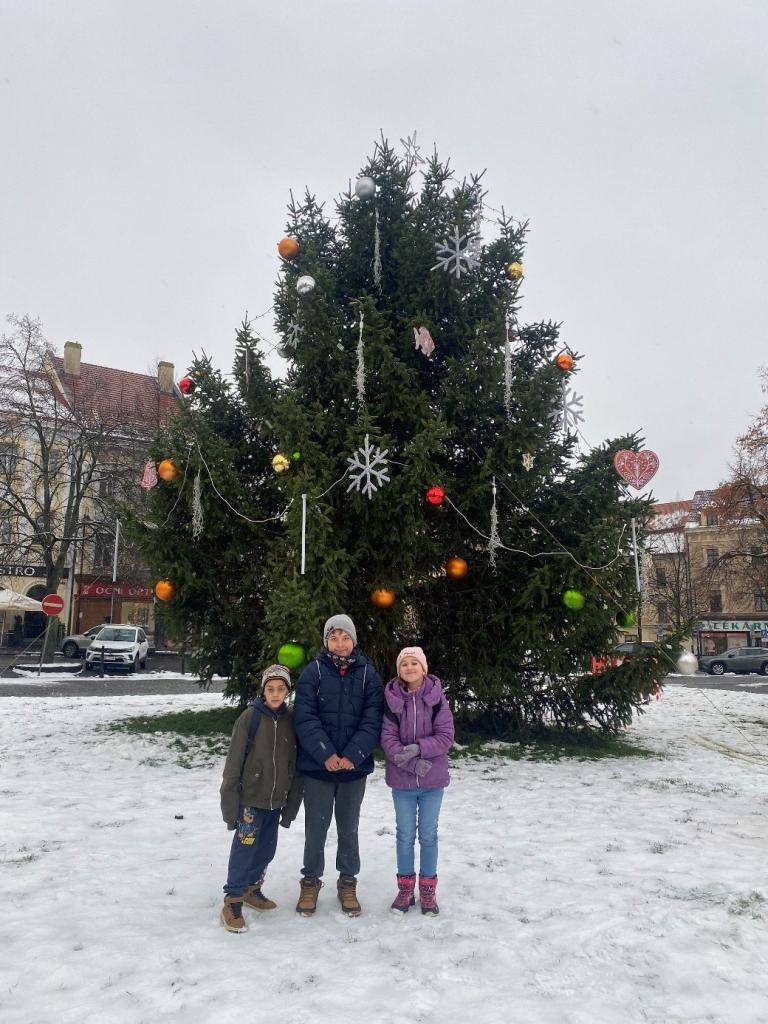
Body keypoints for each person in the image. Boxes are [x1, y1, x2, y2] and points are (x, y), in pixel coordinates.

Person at [292, 614, 384, 917]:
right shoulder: (313, 672)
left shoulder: (368, 674)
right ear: (326, 641)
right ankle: (310, 880)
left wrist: (352, 756)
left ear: (354, 641)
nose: (340, 643)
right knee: (315, 828)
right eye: (334, 638)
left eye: (345, 637)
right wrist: (326, 755)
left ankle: (347, 880)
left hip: (353, 768)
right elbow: (305, 718)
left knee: (348, 827)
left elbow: (373, 720)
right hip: (319, 767)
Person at [218, 664, 303, 933]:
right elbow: (233, 764)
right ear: (263, 690)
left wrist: (290, 806)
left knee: (267, 848)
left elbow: (295, 765)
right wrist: (230, 803)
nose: (275, 694)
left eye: (281, 689)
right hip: (250, 800)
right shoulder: (249, 718)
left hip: (276, 800)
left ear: (288, 692)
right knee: (245, 849)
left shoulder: (292, 720)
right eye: (270, 689)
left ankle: (252, 889)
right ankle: (232, 899)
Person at [380, 646, 454, 916]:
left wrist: (421, 748)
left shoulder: (436, 699)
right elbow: (388, 740)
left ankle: (427, 889)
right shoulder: (392, 700)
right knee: (404, 835)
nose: (409, 667)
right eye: (404, 664)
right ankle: (405, 889)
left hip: (433, 782)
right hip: (402, 783)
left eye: (414, 663)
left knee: (428, 835)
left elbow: (446, 736)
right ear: (399, 670)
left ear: (424, 668)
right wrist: (411, 761)